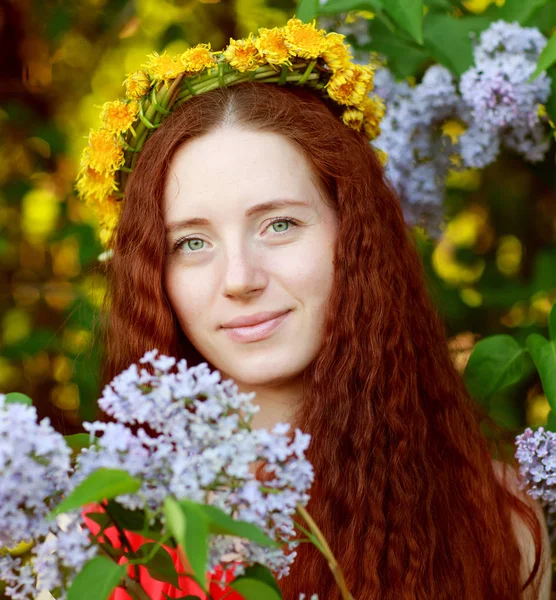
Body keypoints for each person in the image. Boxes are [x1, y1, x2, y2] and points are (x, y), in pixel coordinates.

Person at [78, 18, 552, 600]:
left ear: (355, 235)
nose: (240, 280)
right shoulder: (101, 535)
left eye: (279, 224)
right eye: (192, 243)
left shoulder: (498, 524)